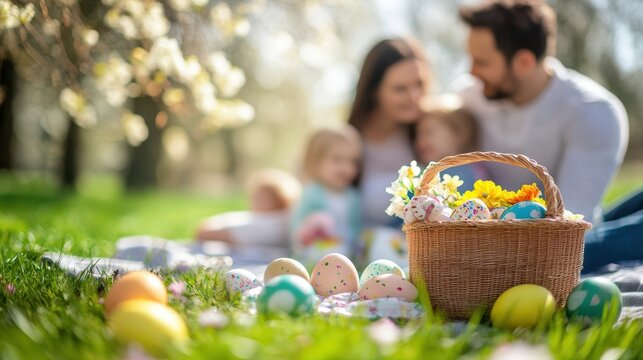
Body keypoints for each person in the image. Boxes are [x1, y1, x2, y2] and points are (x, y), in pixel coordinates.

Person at [455, 0, 640, 273]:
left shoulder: (592, 111)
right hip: (496, 233)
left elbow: (569, 224)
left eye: (482, 62)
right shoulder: (469, 96)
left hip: (565, 236)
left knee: (562, 255)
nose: (471, 71)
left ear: (524, 61)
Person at [348, 37, 432, 229]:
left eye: (419, 83)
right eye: (400, 89)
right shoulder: (346, 142)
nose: (414, 96)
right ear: (374, 91)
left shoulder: (431, 133)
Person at [290, 125, 362, 266]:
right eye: (337, 159)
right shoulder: (312, 193)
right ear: (316, 161)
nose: (347, 168)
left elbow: (355, 227)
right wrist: (310, 228)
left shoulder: (353, 197)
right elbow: (297, 229)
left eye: (353, 161)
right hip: (315, 254)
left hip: (346, 254)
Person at [195, 169, 301, 261]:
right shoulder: (286, 219)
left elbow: (203, 232)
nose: (252, 202)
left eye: (259, 197)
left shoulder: (267, 223)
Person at [415, 94, 488, 190]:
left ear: (459, 133)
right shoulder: (424, 172)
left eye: (428, 132)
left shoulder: (472, 172)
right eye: (416, 136)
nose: (420, 142)